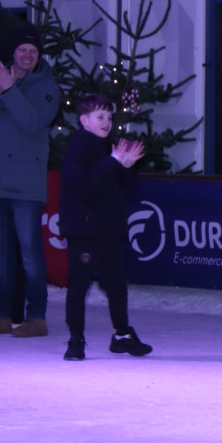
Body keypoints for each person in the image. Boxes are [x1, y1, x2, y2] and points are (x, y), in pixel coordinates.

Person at [0, 22, 61, 337]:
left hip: (25, 184)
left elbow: (32, 122)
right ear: (14, 52)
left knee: (30, 254)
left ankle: (36, 317)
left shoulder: (48, 88)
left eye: (33, 50)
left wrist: (8, 91)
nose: (28, 55)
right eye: (22, 49)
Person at [59, 94, 151, 361]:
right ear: (84, 120)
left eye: (109, 117)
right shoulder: (79, 146)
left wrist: (127, 167)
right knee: (79, 286)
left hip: (109, 229)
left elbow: (127, 192)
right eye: (100, 117)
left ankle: (121, 335)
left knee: (116, 285)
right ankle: (75, 340)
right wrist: (113, 162)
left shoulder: (108, 148)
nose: (107, 122)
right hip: (85, 230)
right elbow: (83, 188)